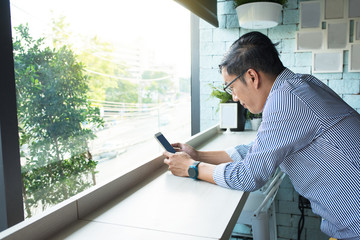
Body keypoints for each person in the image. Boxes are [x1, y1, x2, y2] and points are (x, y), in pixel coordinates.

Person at [163, 31, 360, 239]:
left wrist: (191, 169)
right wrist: (198, 155)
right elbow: (256, 149)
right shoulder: (299, 86)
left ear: (252, 76)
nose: (235, 98)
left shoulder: (285, 101)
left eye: (232, 88)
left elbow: (248, 176)